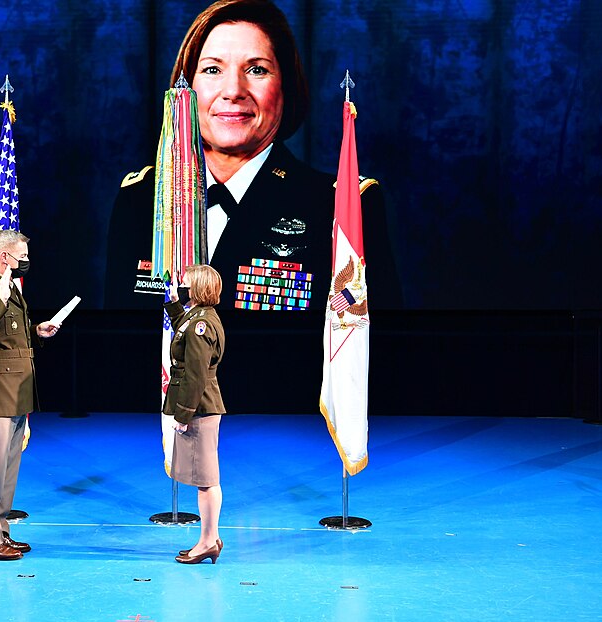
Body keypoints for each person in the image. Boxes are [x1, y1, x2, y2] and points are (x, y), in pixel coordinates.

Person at [105, 0, 401, 311]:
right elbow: (114, 344)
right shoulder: (142, 197)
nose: (233, 90)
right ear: (186, 89)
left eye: (257, 69)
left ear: (286, 87)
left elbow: (374, 345)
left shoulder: (341, 206)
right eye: (212, 69)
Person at [0, 229, 60, 561]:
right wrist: (0, 299)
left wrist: (37, 332)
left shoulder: (10, 291)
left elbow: (10, 338)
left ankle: (1, 530)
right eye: (21, 256)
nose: (26, 262)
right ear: (4, 256)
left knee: (7, 468)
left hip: (17, 389)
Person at [163, 264, 227, 564]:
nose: (183, 286)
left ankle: (208, 542)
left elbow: (196, 373)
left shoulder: (202, 324)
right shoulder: (196, 317)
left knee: (206, 480)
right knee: (204, 477)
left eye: (186, 284)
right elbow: (182, 330)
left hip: (199, 407)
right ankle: (209, 538)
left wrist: (183, 413)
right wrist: (173, 301)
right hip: (198, 407)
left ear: (199, 289)